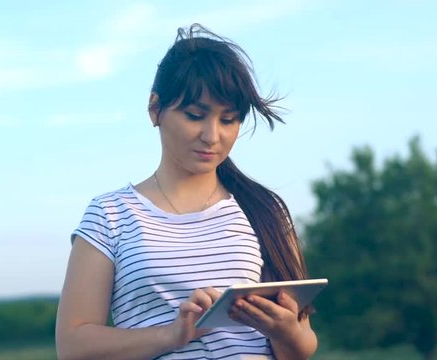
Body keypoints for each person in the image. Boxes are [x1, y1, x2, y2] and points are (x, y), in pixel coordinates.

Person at [55, 23, 317, 360]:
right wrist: (172, 334)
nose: (212, 135)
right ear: (155, 109)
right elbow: (73, 348)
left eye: (228, 119)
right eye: (196, 115)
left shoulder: (265, 210)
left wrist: (287, 332)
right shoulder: (110, 215)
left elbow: (303, 345)